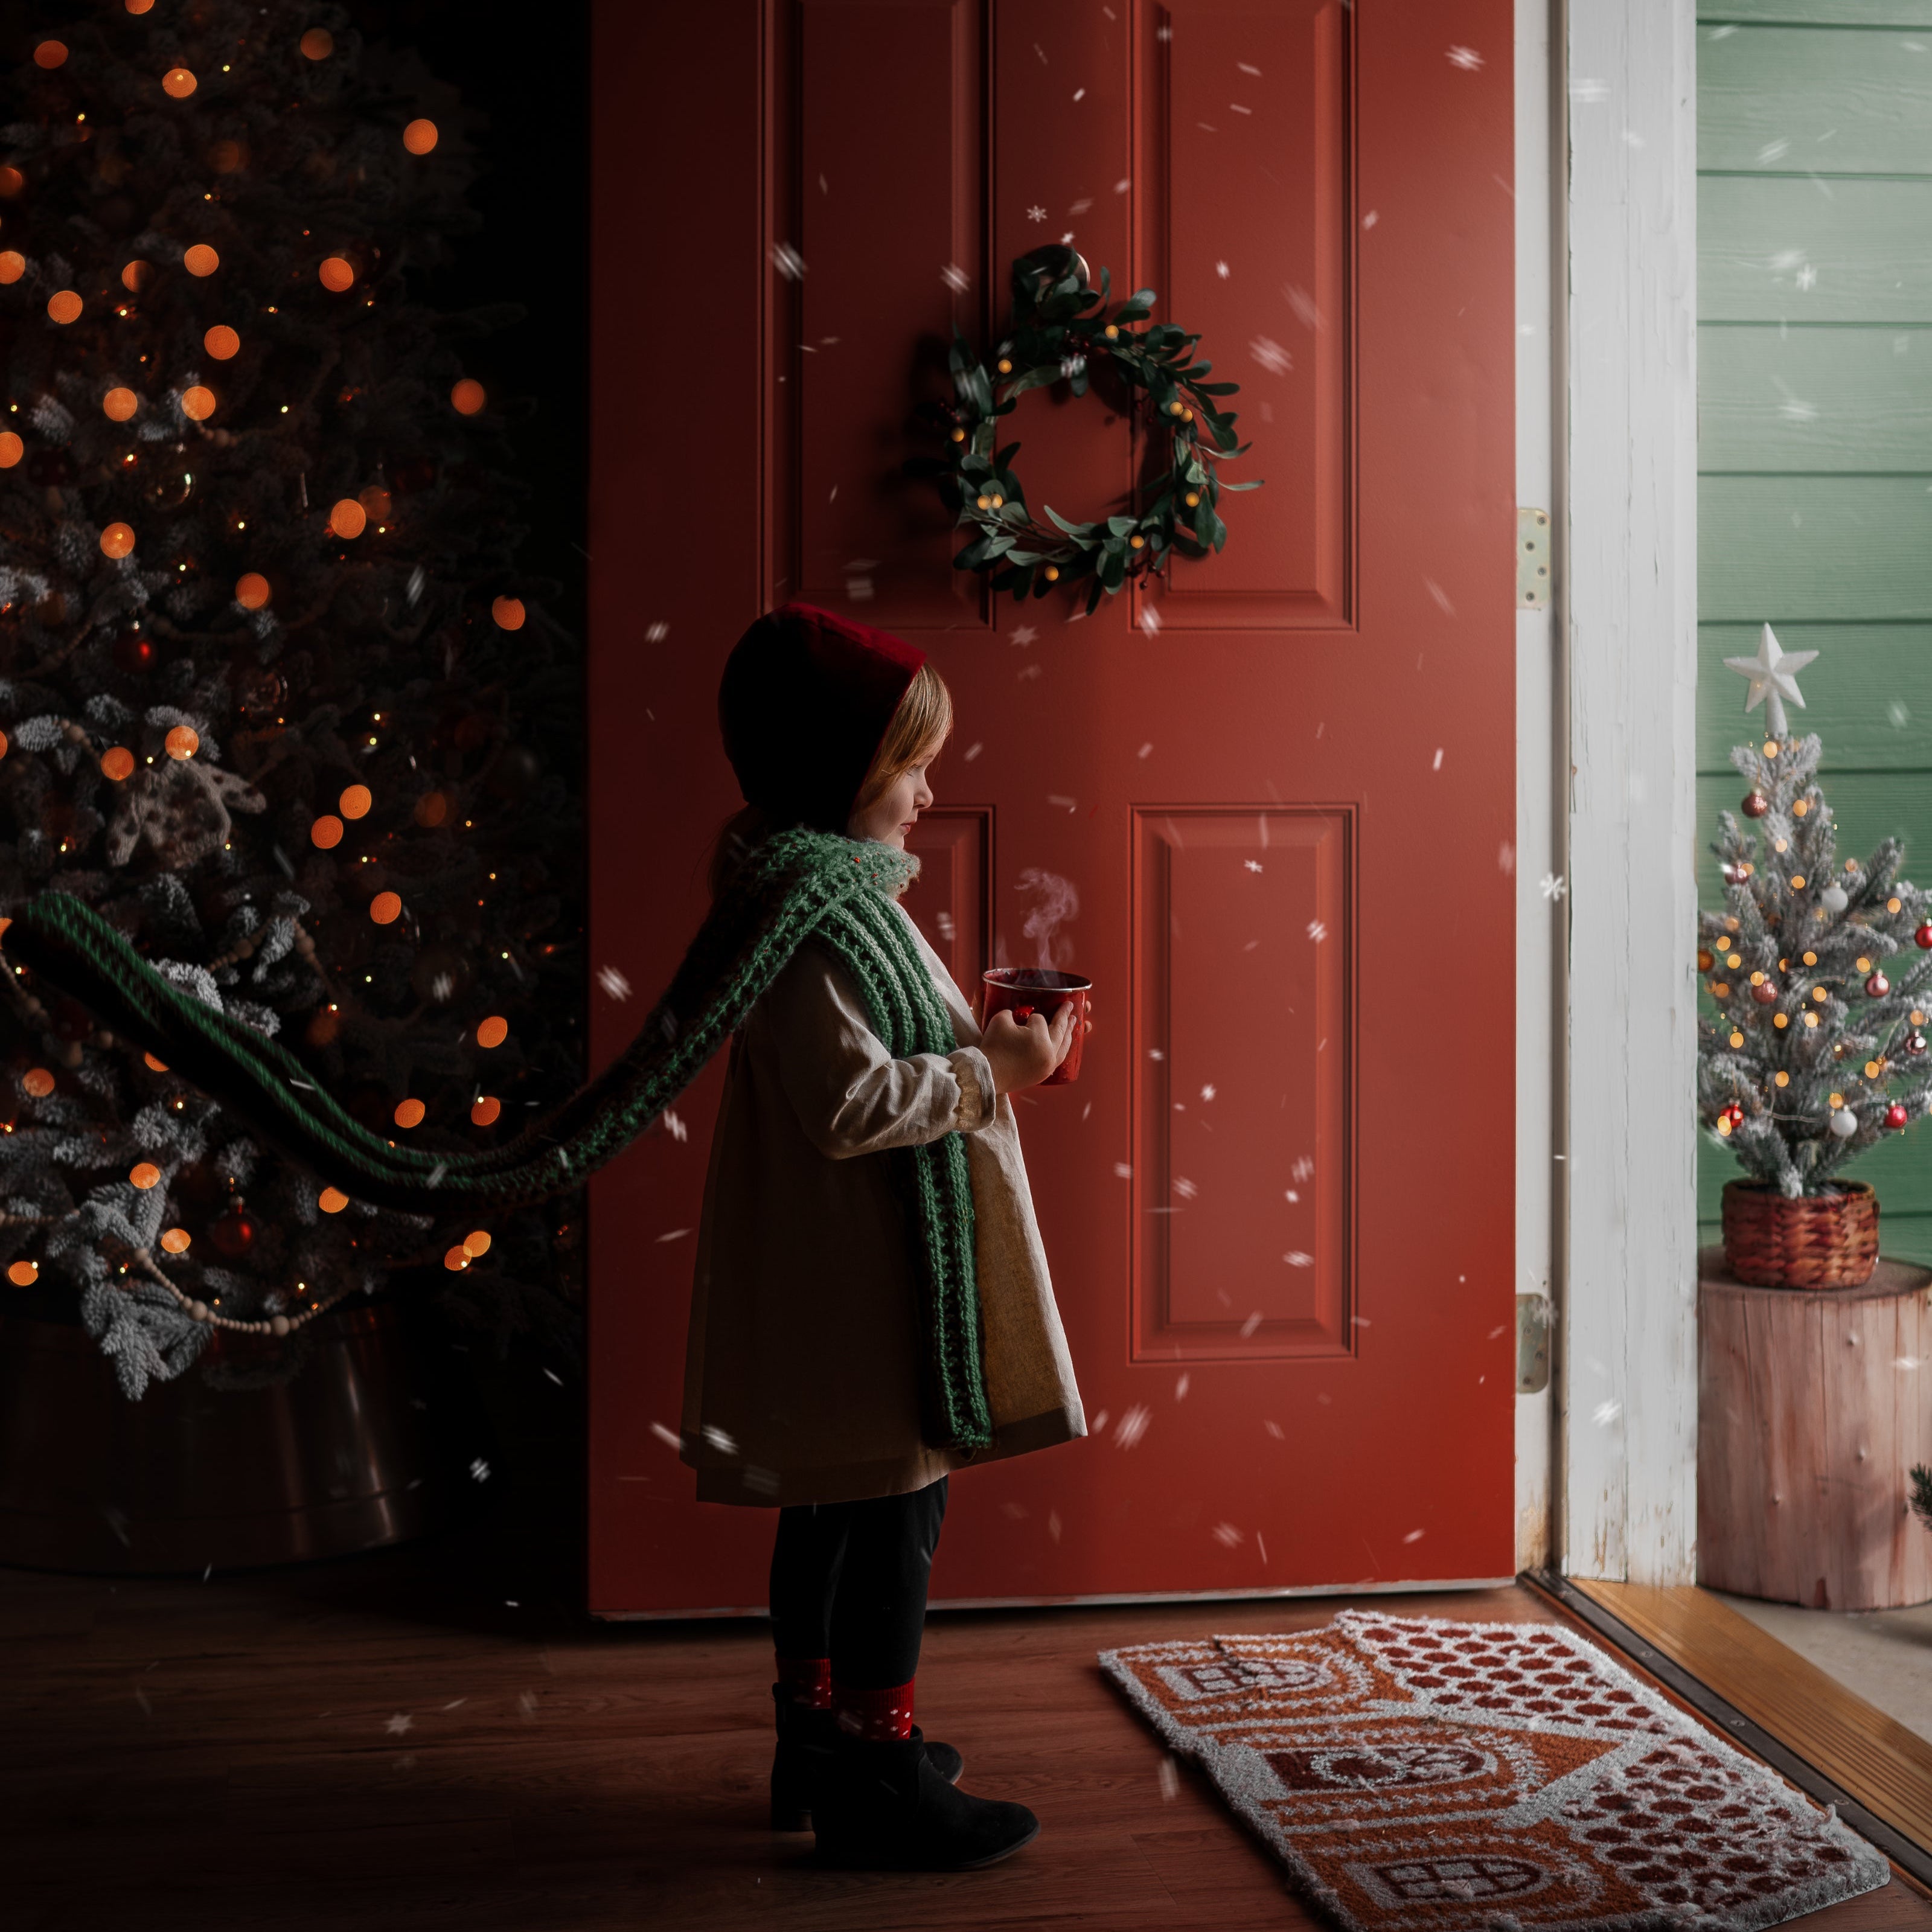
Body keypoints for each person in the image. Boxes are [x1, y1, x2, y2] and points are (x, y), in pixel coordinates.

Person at [685, 601, 1087, 1870]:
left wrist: (986, 1047)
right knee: (891, 1523)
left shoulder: (825, 888)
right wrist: (990, 1078)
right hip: (863, 1281)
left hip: (837, 1268)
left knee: (828, 1512)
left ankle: (818, 1747)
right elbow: (849, 1101)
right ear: (836, 772)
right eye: (908, 766)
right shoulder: (814, 918)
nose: (928, 792)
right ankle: (876, 1779)